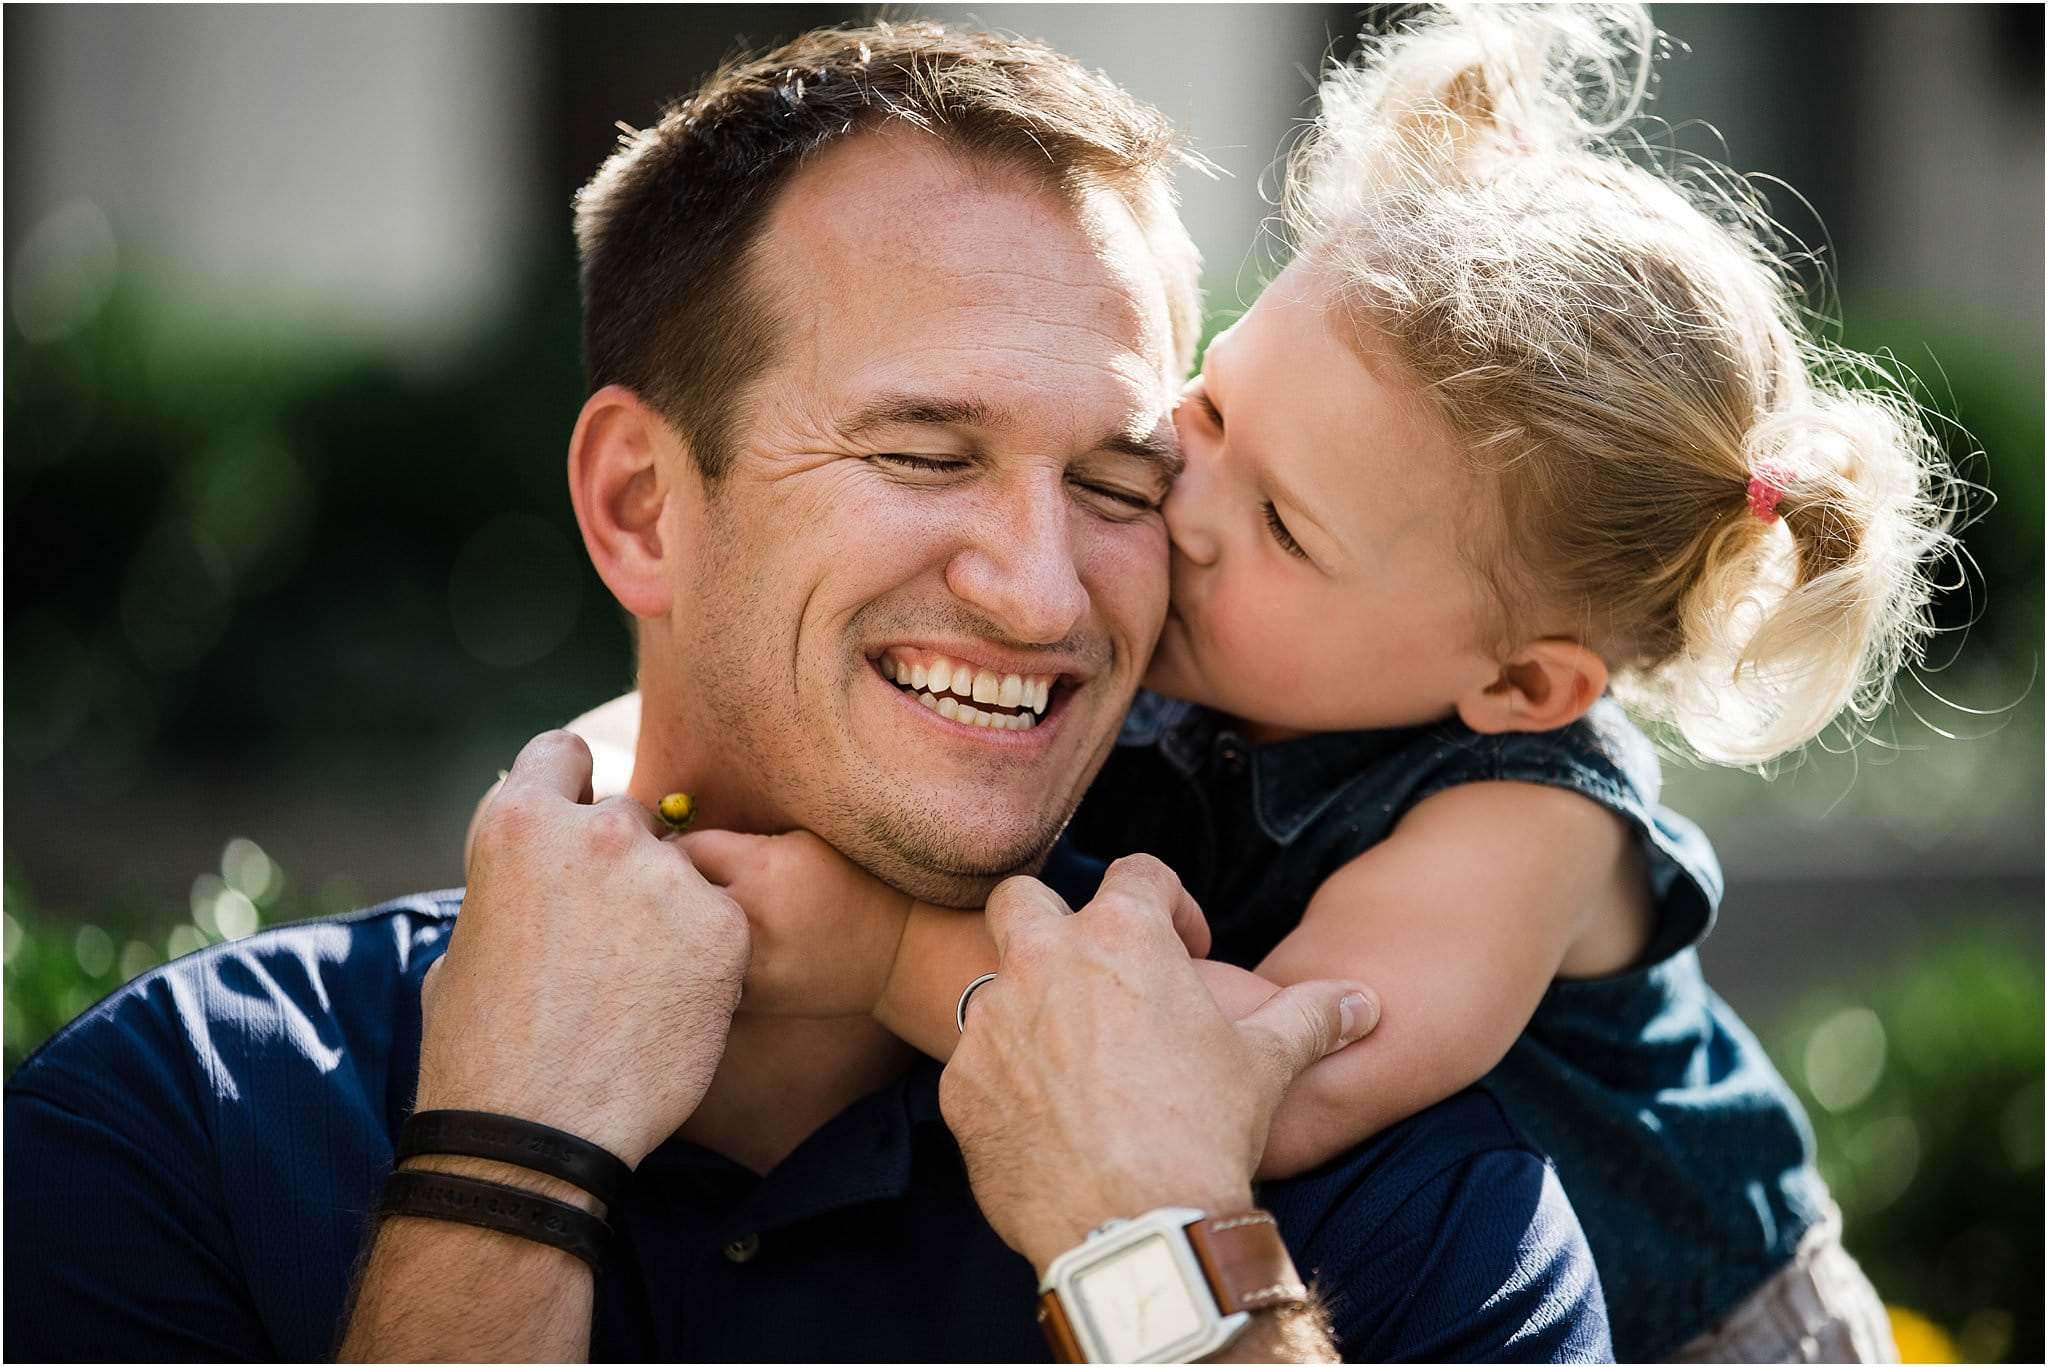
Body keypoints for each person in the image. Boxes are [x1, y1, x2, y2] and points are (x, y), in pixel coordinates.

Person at [2, 21, 1613, 1364]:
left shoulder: (1378, 1181)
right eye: (924, 455)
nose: (1045, 593)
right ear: (642, 503)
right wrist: (502, 1161)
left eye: (1121, 483)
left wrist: (1160, 1240)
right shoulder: (183, 1126)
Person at [570, 6, 1952, 1361]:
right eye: (1212, 410)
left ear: (1523, 684)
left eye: (1286, 526)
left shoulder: (1522, 823)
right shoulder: (1240, 647)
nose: (1187, 499)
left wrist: (882, 947)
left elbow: (1248, 1081)